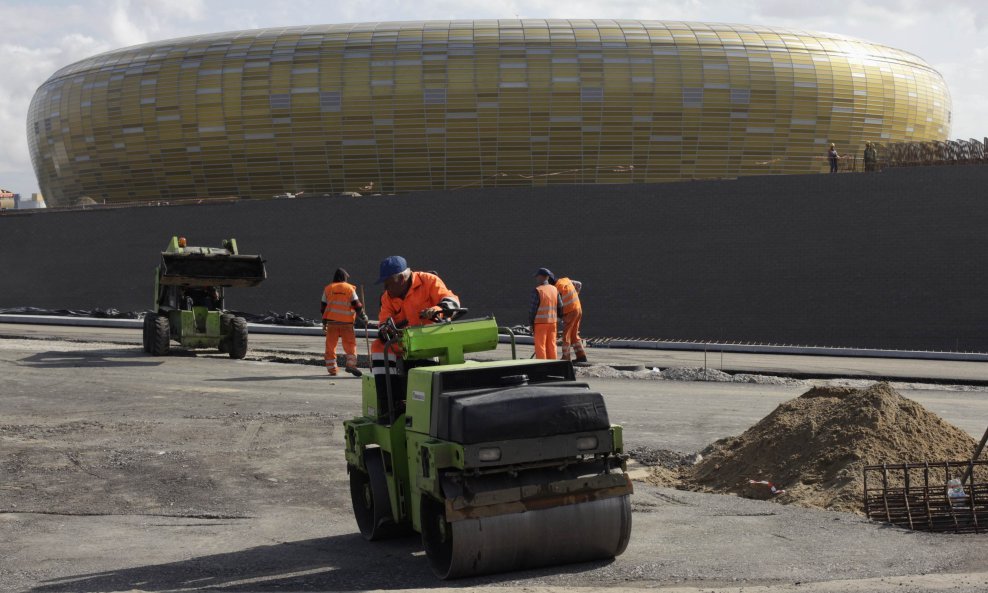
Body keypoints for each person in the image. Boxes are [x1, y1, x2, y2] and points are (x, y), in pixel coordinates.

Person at [371, 256, 460, 394]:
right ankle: (391, 401)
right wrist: (385, 330)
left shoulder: (429, 281)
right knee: (378, 346)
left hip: (430, 339)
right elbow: (384, 321)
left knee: (422, 366)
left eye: (388, 283)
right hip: (405, 342)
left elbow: (452, 302)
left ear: (401, 278)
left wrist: (436, 310)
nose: (385, 288)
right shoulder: (387, 297)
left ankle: (425, 394)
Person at [321, 267, 368, 376]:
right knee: (350, 345)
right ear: (344, 277)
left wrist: (324, 322)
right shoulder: (349, 289)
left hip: (332, 323)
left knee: (330, 346)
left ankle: (332, 369)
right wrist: (363, 316)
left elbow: (323, 308)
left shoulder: (328, 289)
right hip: (347, 324)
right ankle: (351, 365)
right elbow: (357, 305)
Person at [552, 273, 587, 363]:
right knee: (574, 334)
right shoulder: (566, 280)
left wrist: (558, 319)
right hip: (578, 308)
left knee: (566, 336)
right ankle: (581, 356)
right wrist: (575, 296)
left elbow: (557, 306)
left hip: (570, 312)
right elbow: (579, 284)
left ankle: (566, 357)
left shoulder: (556, 289)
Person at [530, 268, 564, 360]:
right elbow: (560, 307)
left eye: (538, 276)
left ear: (543, 277)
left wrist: (531, 323)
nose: (537, 279)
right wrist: (559, 318)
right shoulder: (554, 289)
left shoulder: (538, 290)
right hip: (552, 323)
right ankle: (553, 366)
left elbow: (533, 309)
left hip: (540, 323)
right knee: (552, 345)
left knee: (540, 346)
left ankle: (542, 367)